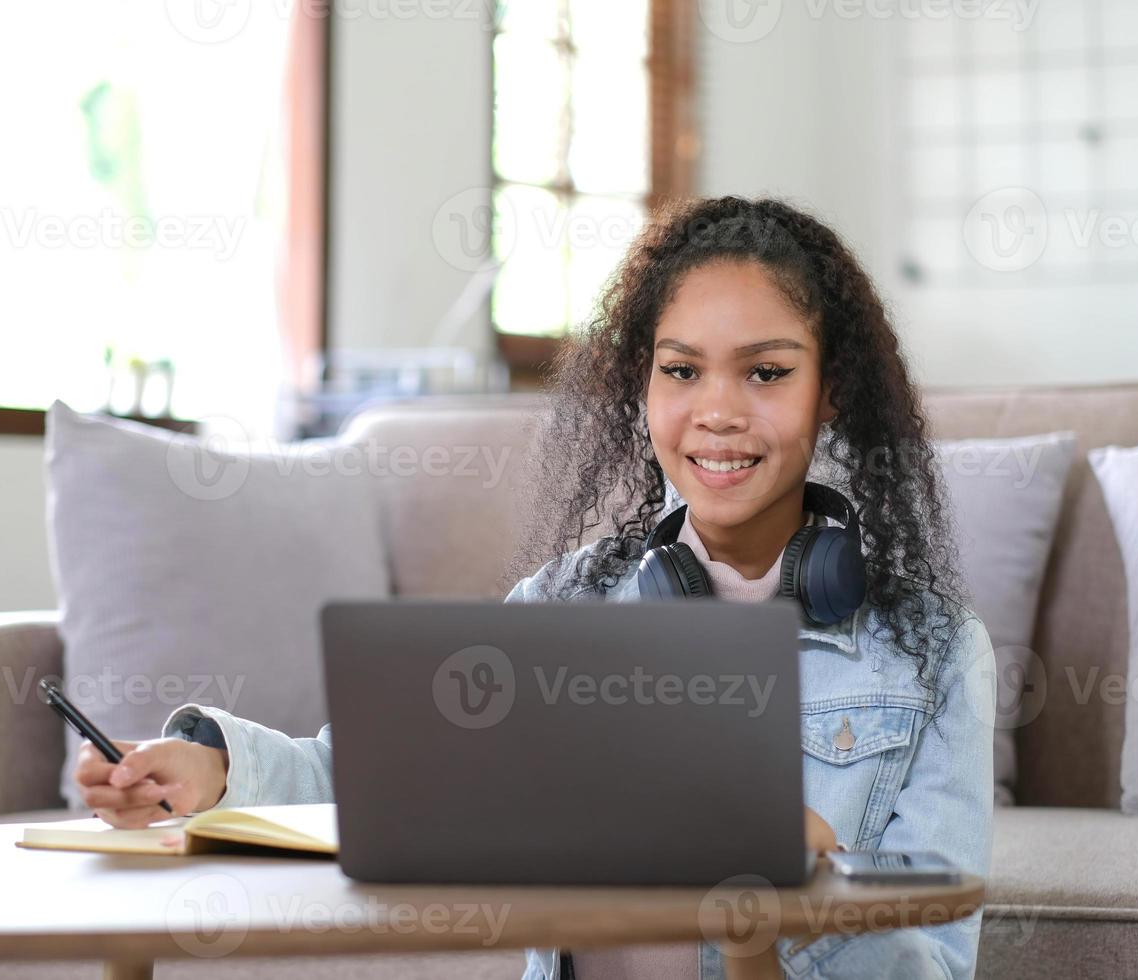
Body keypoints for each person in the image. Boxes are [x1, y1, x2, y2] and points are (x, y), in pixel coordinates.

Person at [74, 195, 995, 979]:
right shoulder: (563, 608)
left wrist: (809, 892)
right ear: (641, 386)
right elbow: (382, 778)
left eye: (766, 373)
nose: (717, 410)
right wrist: (215, 766)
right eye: (680, 371)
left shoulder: (936, 652)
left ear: (830, 390)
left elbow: (936, 961)